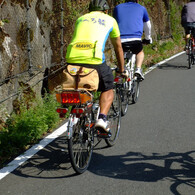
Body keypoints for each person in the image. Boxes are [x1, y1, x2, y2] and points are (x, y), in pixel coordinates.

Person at [65, 0, 125, 134]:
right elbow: (118, 48)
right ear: (106, 11)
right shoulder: (110, 20)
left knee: (81, 82)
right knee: (108, 87)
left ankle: (81, 111)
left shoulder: (81, 19)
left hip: (71, 58)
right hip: (94, 59)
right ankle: (102, 119)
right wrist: (122, 70)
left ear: (90, 10)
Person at [113, 0, 152, 80]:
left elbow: (114, 22)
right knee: (139, 52)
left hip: (121, 39)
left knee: (120, 54)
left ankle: (121, 72)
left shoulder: (117, 7)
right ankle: (138, 69)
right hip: (136, 39)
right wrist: (147, 38)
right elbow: (147, 25)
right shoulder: (141, 8)